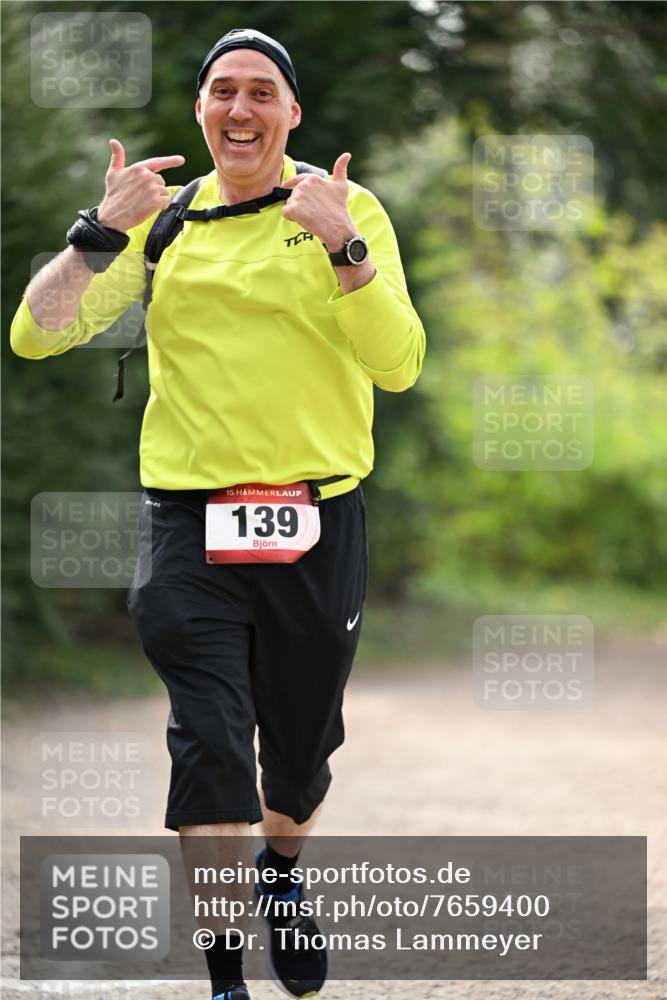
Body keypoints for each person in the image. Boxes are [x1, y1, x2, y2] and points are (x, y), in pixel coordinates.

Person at [10, 26, 425, 1000]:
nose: (241, 108)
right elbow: (35, 333)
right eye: (223, 90)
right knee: (208, 741)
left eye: (261, 91)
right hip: (188, 525)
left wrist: (344, 248)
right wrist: (95, 232)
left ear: (292, 114)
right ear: (201, 110)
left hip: (316, 523)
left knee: (300, 755)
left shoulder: (347, 209)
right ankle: (224, 977)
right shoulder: (161, 224)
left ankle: (281, 870)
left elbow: (399, 364)